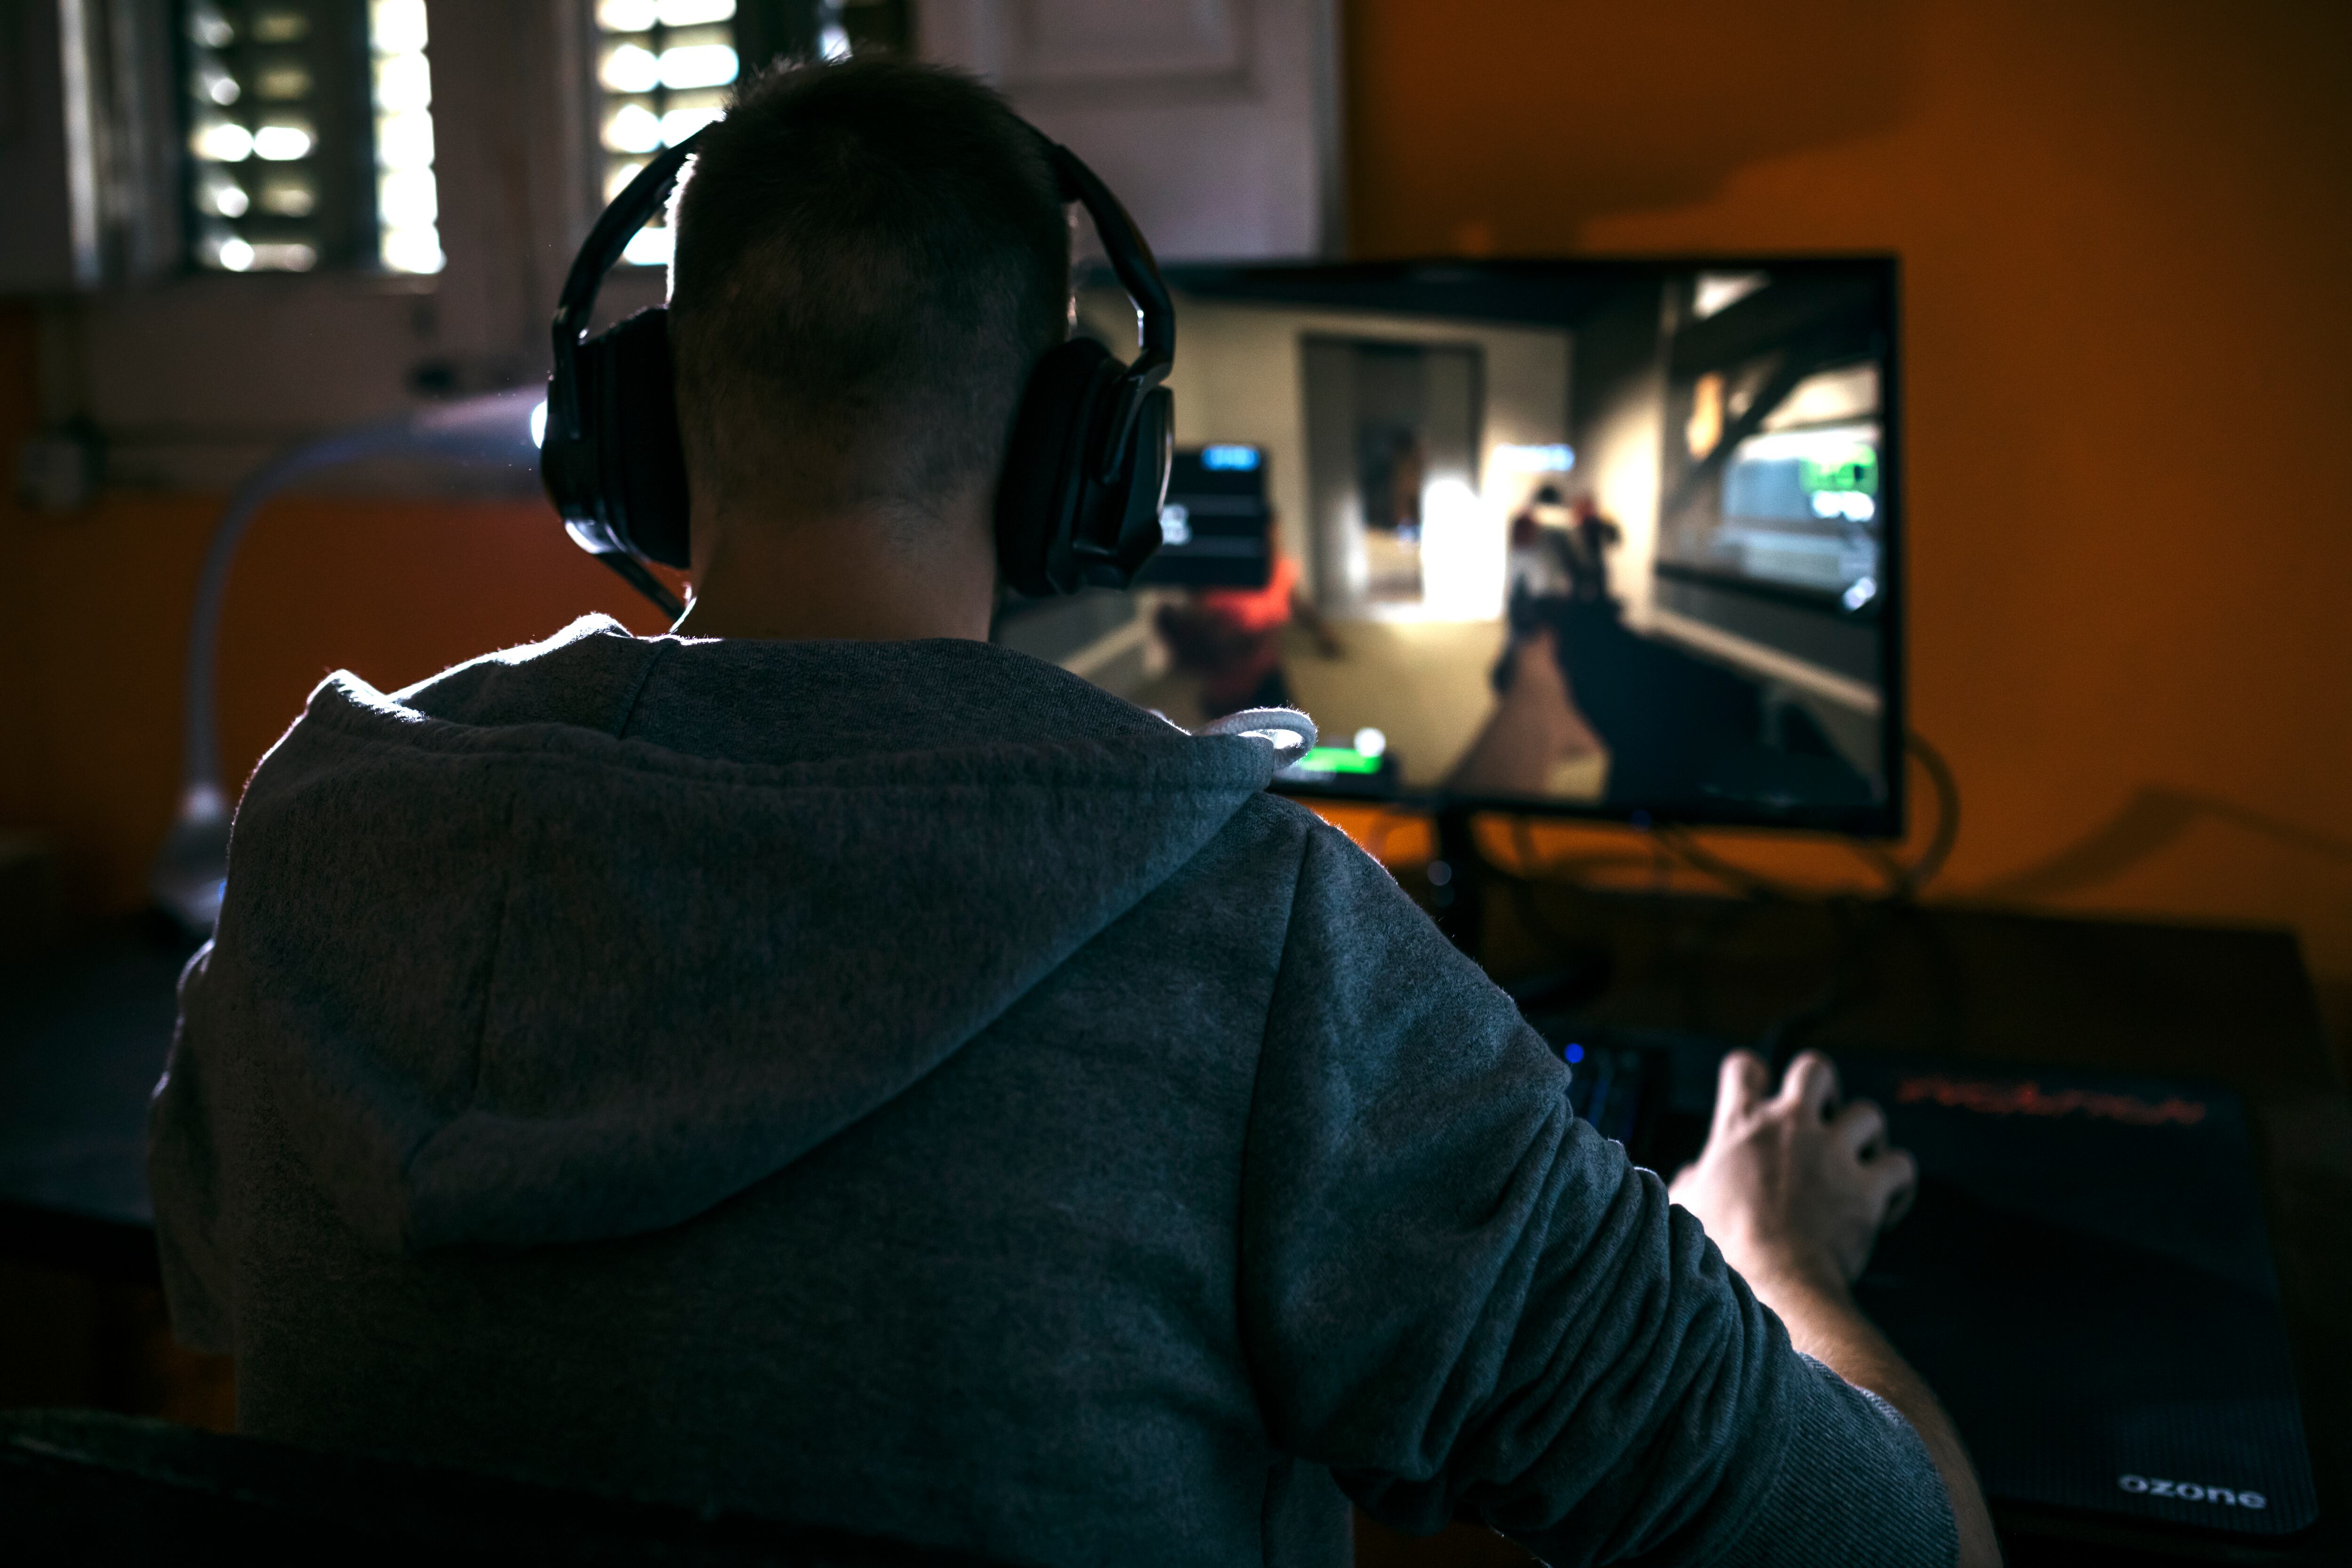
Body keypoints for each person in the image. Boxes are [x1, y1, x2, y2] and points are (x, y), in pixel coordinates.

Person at [148, 57, 1995, 1568]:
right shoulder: (1256, 937)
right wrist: (1770, 1247)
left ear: (625, 434)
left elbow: (223, 1283)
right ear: (1071, 466)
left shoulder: (324, 843)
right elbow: (1885, 1549)